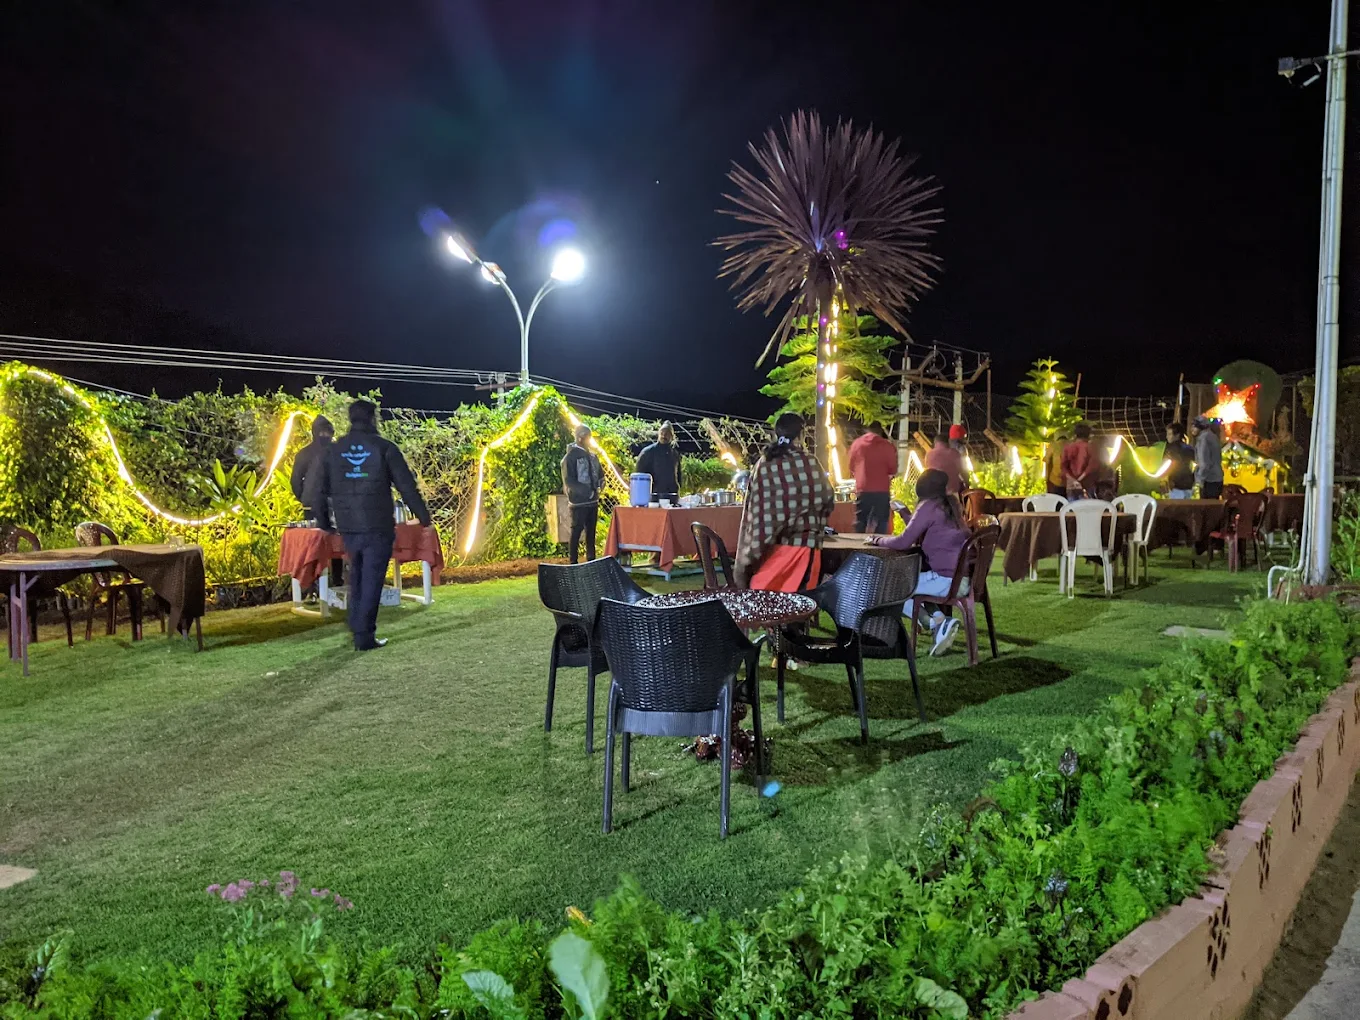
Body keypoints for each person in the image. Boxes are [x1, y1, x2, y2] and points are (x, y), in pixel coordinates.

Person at [311, 400, 432, 651]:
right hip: (377, 524)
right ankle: (364, 635)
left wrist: (324, 522)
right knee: (372, 579)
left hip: (348, 525)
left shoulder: (334, 451)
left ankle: (358, 628)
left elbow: (318, 491)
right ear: (373, 419)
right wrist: (423, 517)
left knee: (357, 574)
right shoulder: (384, 448)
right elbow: (406, 486)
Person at [869, 468, 969, 656]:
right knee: (912, 582)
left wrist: (877, 540)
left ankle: (933, 624)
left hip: (945, 580)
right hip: (961, 579)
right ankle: (940, 621)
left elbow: (904, 542)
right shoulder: (950, 506)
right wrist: (905, 513)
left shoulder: (928, 507)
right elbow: (925, 530)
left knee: (889, 588)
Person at [734, 413, 835, 591]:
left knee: (764, 607)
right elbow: (828, 501)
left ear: (776, 433)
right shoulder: (810, 462)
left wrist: (747, 557)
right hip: (805, 551)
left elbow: (754, 509)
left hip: (769, 551)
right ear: (801, 434)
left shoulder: (764, 463)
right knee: (798, 609)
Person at [290, 414, 343, 588]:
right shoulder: (306, 454)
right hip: (315, 506)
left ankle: (332, 583)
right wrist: (306, 498)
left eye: (327, 432)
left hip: (330, 505)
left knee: (333, 543)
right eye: (322, 432)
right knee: (316, 545)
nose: (324, 435)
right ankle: (317, 585)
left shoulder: (335, 451)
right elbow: (296, 481)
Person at [561, 424, 604, 563]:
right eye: (588, 437)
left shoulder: (592, 456)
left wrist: (602, 482)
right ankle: (573, 562)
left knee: (591, 532)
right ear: (580, 438)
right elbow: (569, 480)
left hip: (593, 502)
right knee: (576, 531)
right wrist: (587, 492)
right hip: (578, 503)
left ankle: (591, 560)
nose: (589, 440)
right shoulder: (570, 457)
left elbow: (600, 473)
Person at [847, 422, 898, 534]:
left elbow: (850, 466)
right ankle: (879, 548)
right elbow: (893, 469)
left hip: (863, 488)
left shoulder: (857, 444)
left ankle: (857, 546)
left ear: (866, 430)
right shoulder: (887, 446)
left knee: (860, 521)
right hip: (882, 489)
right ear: (880, 431)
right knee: (882, 521)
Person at [634, 422, 682, 503]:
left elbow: (679, 476)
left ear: (672, 436)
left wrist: (677, 490)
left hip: (671, 497)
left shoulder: (674, 454)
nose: (664, 436)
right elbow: (640, 476)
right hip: (652, 498)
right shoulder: (648, 452)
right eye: (662, 433)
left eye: (667, 433)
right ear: (658, 434)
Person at [1061, 423, 1095, 499]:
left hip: (1071, 485)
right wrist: (1080, 479)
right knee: (1088, 509)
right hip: (1087, 484)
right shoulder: (1090, 447)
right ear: (1088, 435)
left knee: (1072, 508)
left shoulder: (1068, 447)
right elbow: (1091, 467)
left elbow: (1063, 466)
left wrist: (1072, 479)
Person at [1192, 416, 1224, 499]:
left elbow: (1204, 463)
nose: (1192, 429)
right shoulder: (1213, 436)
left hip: (1208, 480)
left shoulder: (1203, 439)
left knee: (1206, 508)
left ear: (1201, 427)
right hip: (1217, 478)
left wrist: (1199, 479)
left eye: (1194, 426)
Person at [1163, 423, 1196, 499]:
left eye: (1169, 434)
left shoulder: (1170, 449)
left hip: (1176, 485)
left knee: (1176, 508)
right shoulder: (1189, 448)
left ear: (1177, 435)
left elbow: (1166, 465)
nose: (1167, 437)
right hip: (1189, 484)